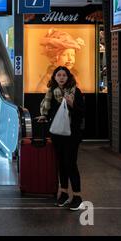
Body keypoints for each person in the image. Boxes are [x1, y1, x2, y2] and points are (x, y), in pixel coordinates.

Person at [36, 66, 85, 211]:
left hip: (72, 134)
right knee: (61, 164)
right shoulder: (51, 92)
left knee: (71, 163)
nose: (61, 77)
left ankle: (77, 196)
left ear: (68, 77)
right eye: (59, 75)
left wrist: (72, 104)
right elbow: (51, 111)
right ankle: (63, 193)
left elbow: (81, 113)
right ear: (55, 77)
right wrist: (44, 116)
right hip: (57, 134)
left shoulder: (75, 92)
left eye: (64, 75)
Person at [36, 28, 85, 92]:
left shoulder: (74, 75)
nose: (70, 59)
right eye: (64, 55)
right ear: (54, 57)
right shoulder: (49, 77)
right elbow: (41, 92)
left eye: (73, 55)